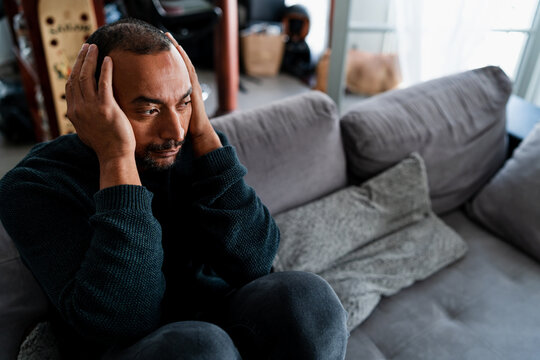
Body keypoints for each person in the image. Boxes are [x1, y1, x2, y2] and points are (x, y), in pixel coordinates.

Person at [0, 18, 348, 359]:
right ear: (91, 105)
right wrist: (116, 157)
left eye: (183, 103)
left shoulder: (195, 147)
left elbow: (255, 261)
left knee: (307, 297)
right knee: (199, 345)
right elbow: (123, 321)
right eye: (150, 110)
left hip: (217, 320)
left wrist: (206, 137)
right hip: (133, 346)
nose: (175, 131)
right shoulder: (33, 186)